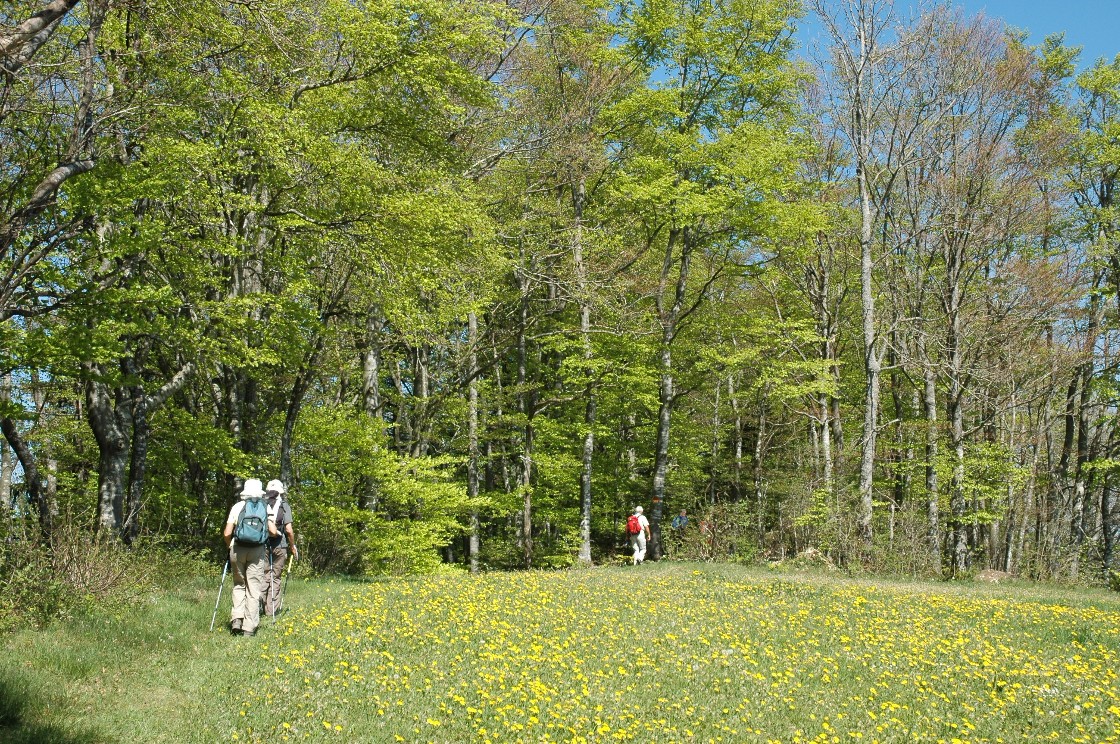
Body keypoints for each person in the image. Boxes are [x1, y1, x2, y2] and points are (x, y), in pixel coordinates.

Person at [222, 478, 278, 637]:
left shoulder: (237, 506)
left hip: (237, 549)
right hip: (257, 551)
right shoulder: (265, 507)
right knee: (253, 588)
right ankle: (249, 628)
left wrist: (230, 546)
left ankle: (237, 620)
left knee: (239, 584)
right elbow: (273, 531)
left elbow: (227, 533)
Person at [263, 479, 298, 618]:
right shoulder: (284, 506)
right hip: (280, 545)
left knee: (264, 576)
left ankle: (256, 608)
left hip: (263, 544)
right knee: (275, 578)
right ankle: (271, 611)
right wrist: (292, 546)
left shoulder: (261, 504)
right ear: (280, 492)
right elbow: (288, 530)